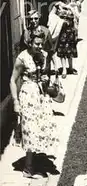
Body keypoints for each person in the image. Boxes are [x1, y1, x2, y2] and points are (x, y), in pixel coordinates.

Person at [10, 30, 58, 178]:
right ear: (30, 43)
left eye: (41, 43)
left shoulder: (43, 55)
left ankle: (34, 162)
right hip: (28, 95)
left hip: (41, 95)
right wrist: (15, 102)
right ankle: (28, 168)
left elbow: (45, 73)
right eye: (37, 43)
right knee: (30, 128)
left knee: (40, 127)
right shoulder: (22, 58)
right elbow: (12, 80)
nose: (40, 46)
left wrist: (47, 80)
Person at [53, 0, 79, 78]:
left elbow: (77, 17)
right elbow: (53, 15)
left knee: (70, 49)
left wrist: (76, 31)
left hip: (71, 30)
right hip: (62, 30)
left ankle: (71, 67)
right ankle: (64, 69)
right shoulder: (59, 5)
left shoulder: (73, 5)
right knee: (62, 50)